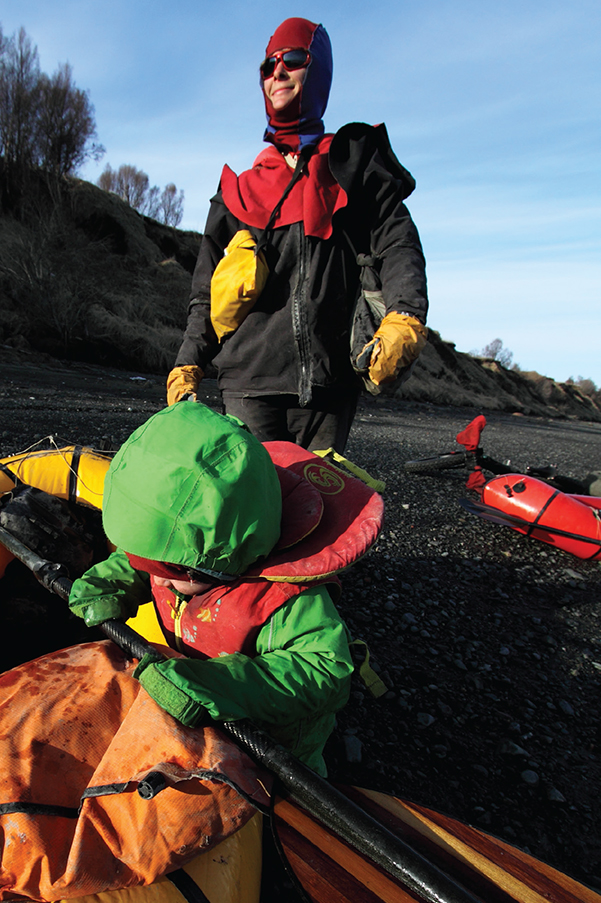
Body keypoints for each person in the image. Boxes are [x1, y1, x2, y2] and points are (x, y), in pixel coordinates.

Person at [167, 17, 428, 453]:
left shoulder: (354, 170)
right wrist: (187, 365)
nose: (278, 73)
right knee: (255, 516)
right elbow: (205, 297)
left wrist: (404, 316)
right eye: (268, 67)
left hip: (332, 389)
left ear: (319, 70)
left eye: (292, 60)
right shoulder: (236, 194)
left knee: (322, 515)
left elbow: (399, 245)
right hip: (249, 387)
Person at [68, 402, 367, 776]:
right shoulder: (181, 559)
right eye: (149, 566)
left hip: (277, 736)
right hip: (201, 689)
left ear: (214, 562)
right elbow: (146, 563)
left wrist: (218, 685)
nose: (156, 581)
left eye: (168, 572)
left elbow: (326, 669)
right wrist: (108, 584)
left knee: (287, 789)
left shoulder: (287, 599)